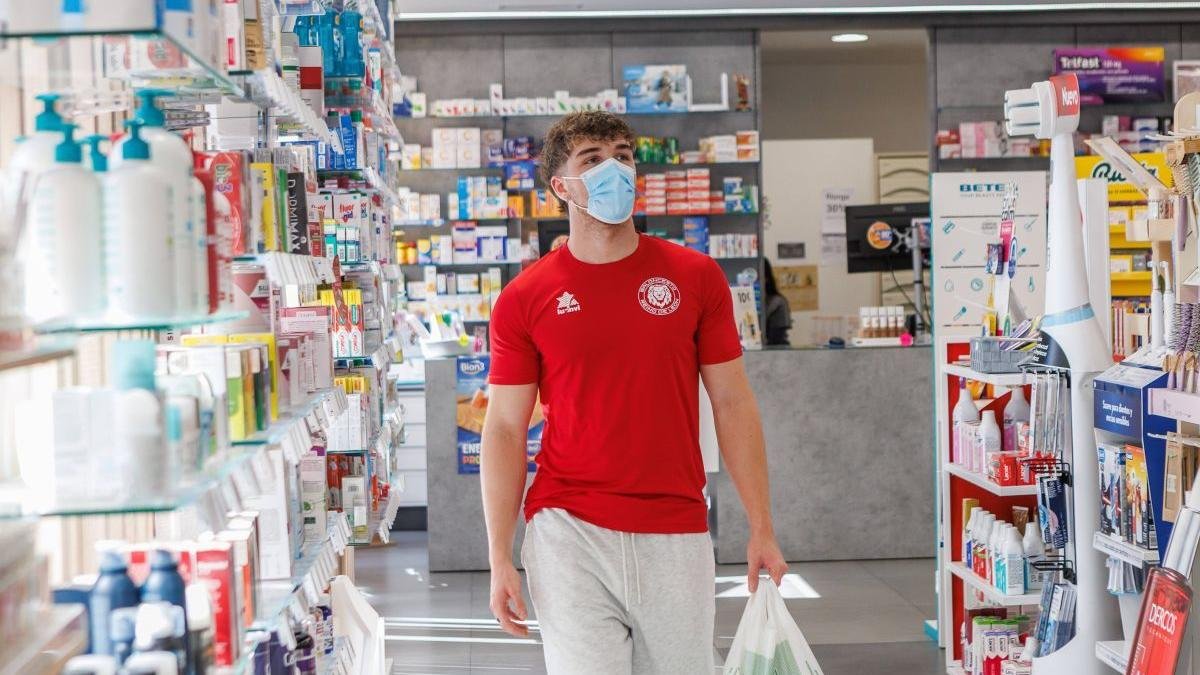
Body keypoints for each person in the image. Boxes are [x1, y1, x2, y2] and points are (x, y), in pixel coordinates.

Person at [481, 110, 787, 674]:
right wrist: (500, 554)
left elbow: (732, 401)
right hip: (567, 527)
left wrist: (761, 525)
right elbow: (503, 426)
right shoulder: (525, 298)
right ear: (561, 187)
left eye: (622, 155)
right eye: (592, 160)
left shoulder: (695, 277)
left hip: (675, 526)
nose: (613, 169)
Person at [763, 258, 793, 346]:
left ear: (766, 278)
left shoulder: (776, 301)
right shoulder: (772, 299)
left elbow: (762, 318)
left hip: (777, 347)